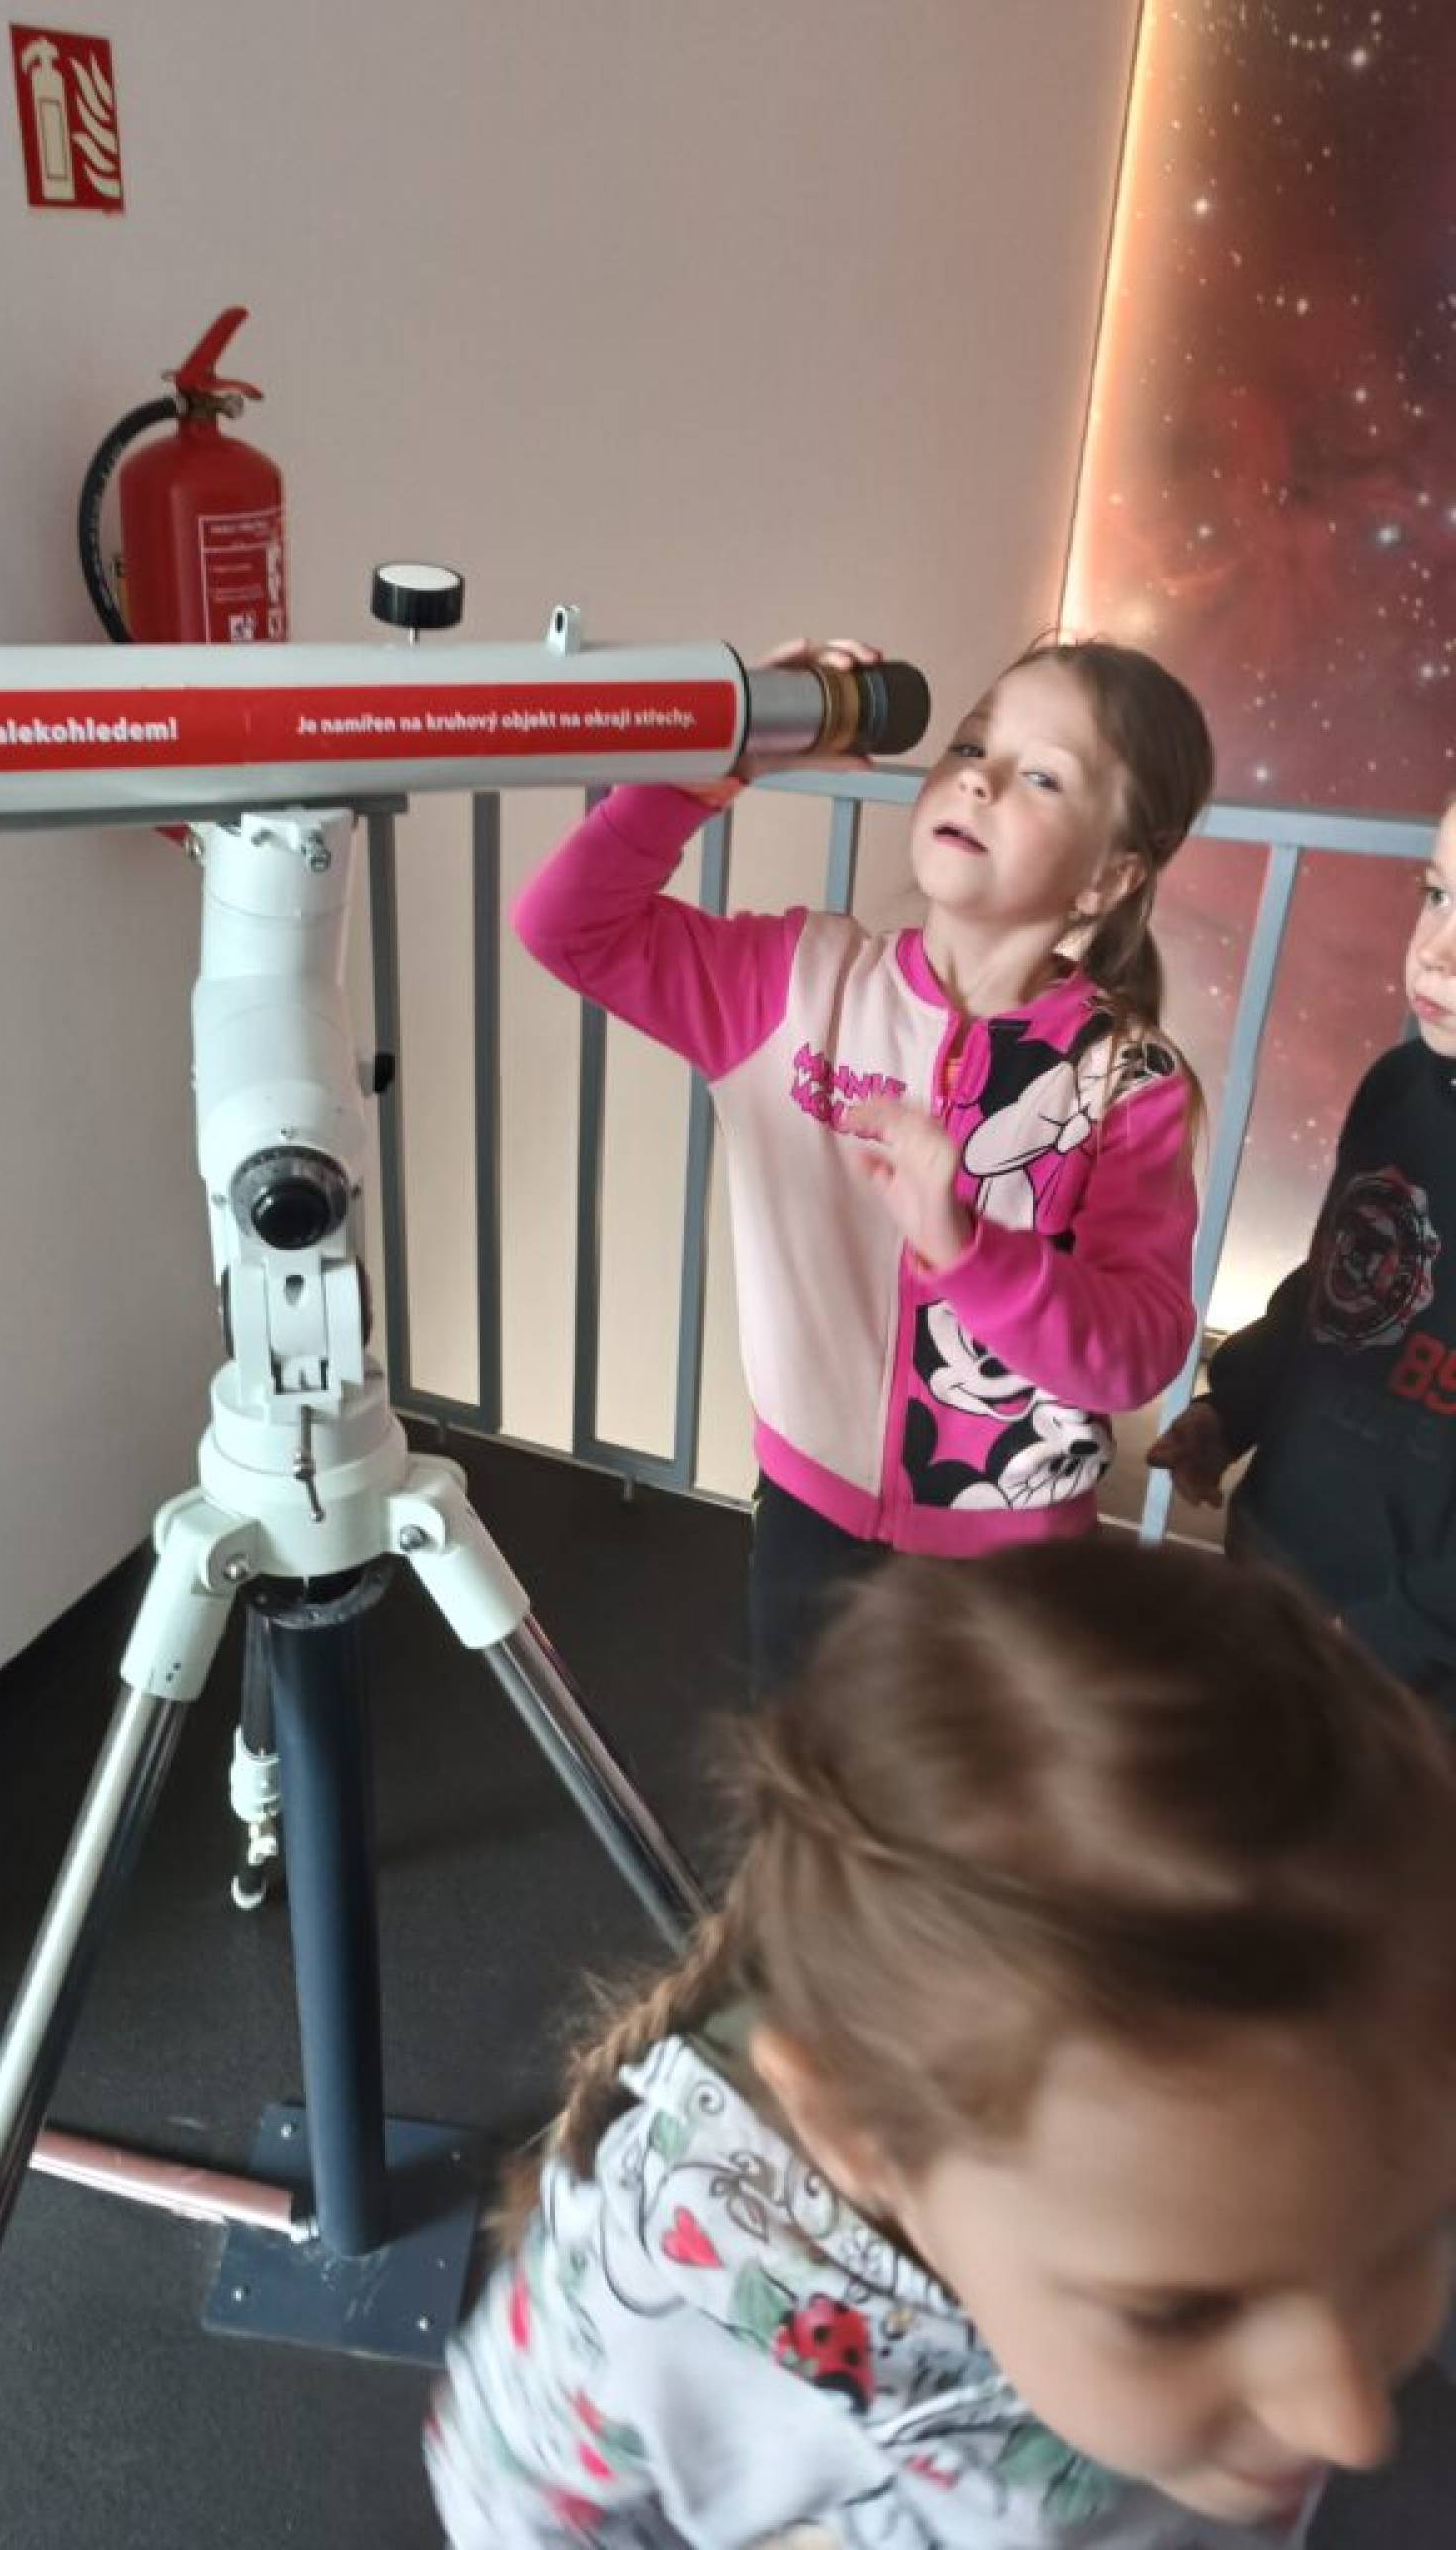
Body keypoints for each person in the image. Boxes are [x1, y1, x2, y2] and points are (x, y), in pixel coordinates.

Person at [426, 1539, 1456, 2546]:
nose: (1352, 2425)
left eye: (1411, 2237)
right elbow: (507, 2497)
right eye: (1174, 2314)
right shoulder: (662, 2280)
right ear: (858, 2134)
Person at [513, 638, 1212, 1690]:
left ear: (1108, 878)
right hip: (809, 1523)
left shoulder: (1128, 1083)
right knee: (802, 1776)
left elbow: (1135, 1354)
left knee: (967, 1801)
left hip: (1017, 1571)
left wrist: (969, 1251)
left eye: (1040, 775)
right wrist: (720, 761)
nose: (978, 778)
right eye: (972, 745)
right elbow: (565, 925)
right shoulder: (794, 983)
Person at [1147, 797, 1456, 1716]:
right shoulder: (1398, 1087)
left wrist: (1392, 1637)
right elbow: (1331, 1287)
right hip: (1277, 1559)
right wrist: (1233, 1406)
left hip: (1418, 1669)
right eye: (1438, 894)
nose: (1436, 950)